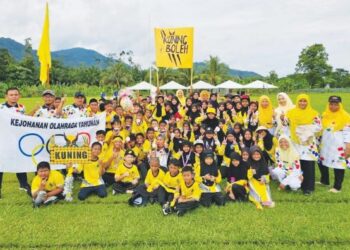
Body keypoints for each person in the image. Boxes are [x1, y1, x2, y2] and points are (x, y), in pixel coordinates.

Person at [285, 94, 321, 195]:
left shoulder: (313, 113)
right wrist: (282, 118)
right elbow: (285, 124)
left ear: (308, 102)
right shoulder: (291, 113)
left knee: (308, 164)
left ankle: (308, 188)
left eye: (304, 101)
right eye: (300, 101)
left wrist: (303, 129)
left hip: (307, 142)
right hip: (295, 142)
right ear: (297, 102)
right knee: (295, 163)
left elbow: (319, 126)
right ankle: (295, 184)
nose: (302, 103)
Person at [0, 87, 30, 198]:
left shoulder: (22, 107)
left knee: (20, 161)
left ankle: (23, 184)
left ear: (19, 96)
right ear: (6, 96)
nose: (14, 96)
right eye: (11, 95)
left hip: (18, 139)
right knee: (1, 164)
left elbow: (25, 122)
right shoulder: (1, 108)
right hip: (4, 140)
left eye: (16, 94)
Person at [319, 96, 350, 193]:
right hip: (326, 144)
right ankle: (325, 181)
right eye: (331, 104)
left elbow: (348, 133)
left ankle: (337, 187)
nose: (333, 106)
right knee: (322, 161)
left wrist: (348, 147)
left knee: (339, 164)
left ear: (340, 105)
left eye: (336, 104)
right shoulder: (325, 114)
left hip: (338, 145)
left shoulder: (345, 116)